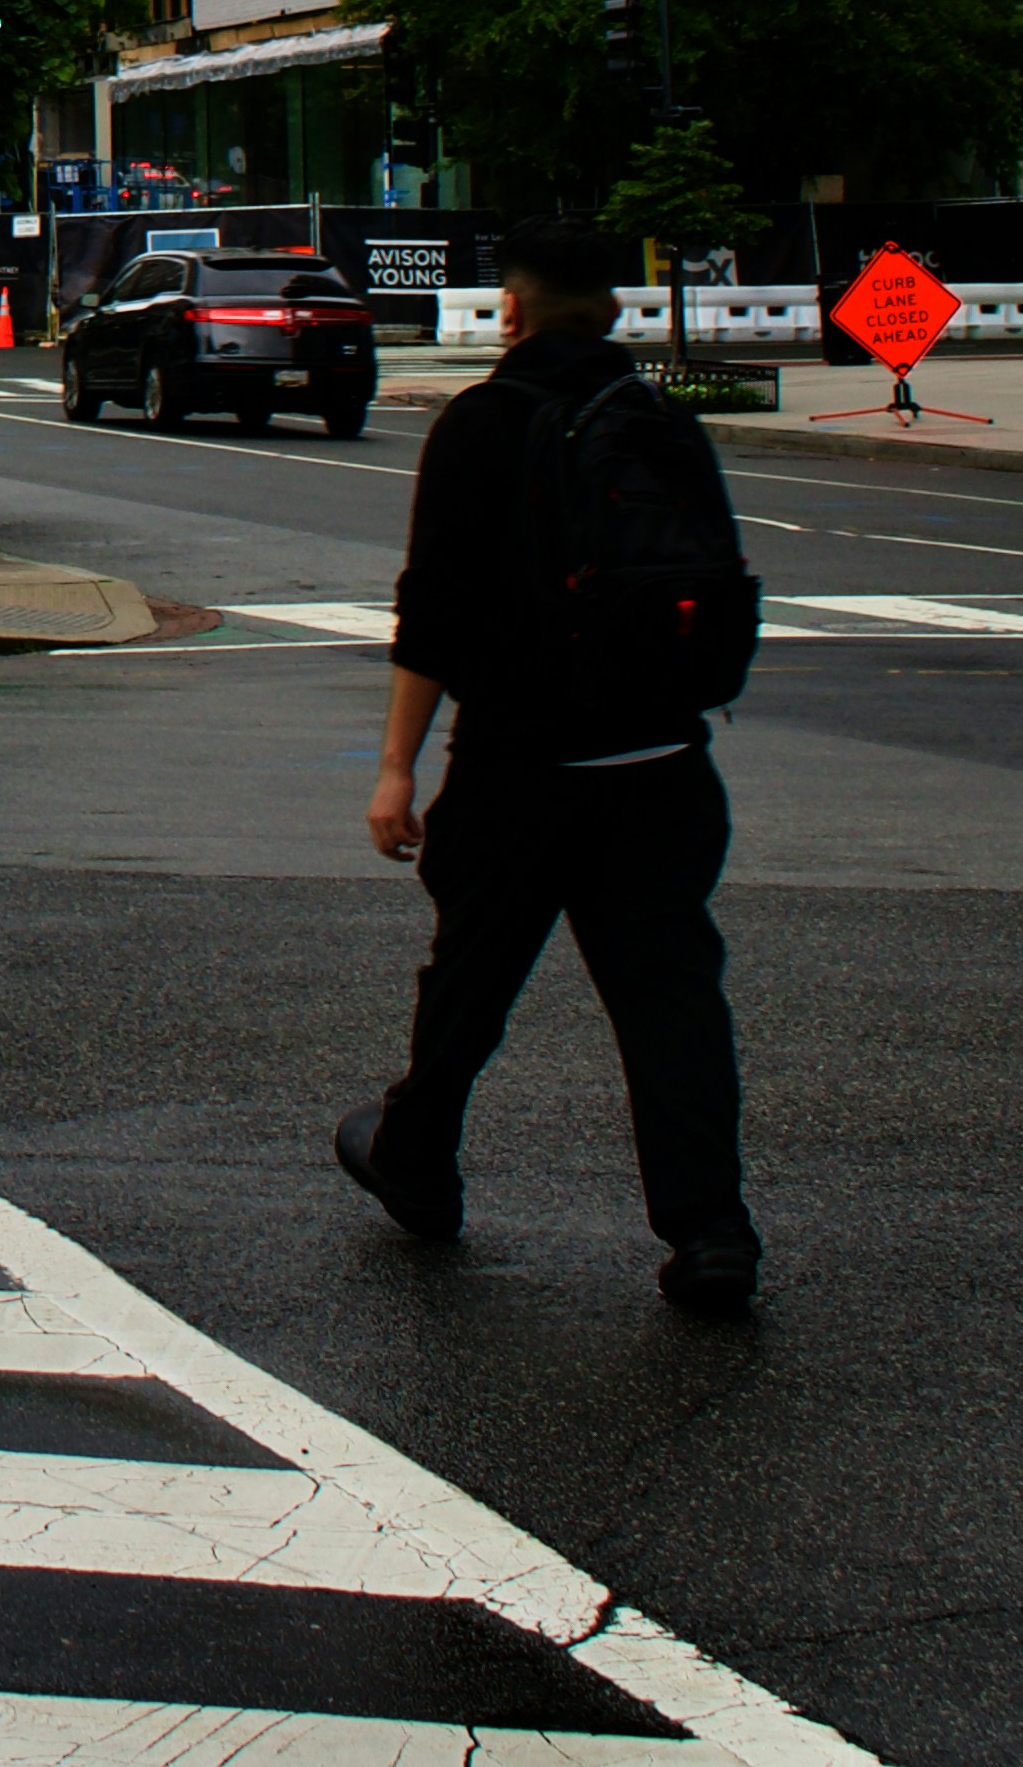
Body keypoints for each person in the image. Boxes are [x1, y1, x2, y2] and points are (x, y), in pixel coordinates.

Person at [339, 221, 759, 1309]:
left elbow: (431, 612)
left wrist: (396, 766)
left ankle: (417, 1161)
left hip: (520, 764)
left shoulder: (479, 425)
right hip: (665, 760)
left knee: (471, 982)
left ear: (511, 313)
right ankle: (710, 1229)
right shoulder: (664, 422)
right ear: (612, 311)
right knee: (670, 1001)